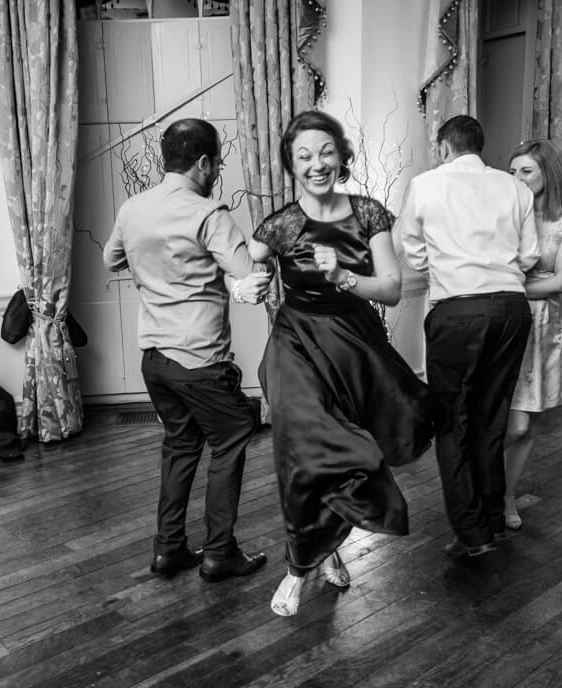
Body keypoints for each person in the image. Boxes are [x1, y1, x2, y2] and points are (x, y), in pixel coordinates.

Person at [247, 110, 436, 617]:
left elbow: (393, 290)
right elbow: (246, 259)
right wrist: (243, 283)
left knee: (345, 449)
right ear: (291, 164)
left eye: (326, 152)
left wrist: (343, 278)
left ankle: (328, 545)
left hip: (353, 345)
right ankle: (296, 568)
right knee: (303, 448)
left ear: (343, 156)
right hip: (295, 343)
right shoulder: (281, 223)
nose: (317, 164)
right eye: (304, 155)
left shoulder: (369, 213)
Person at [103, 118, 272, 583]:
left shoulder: (132, 209)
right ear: (202, 162)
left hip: (155, 358)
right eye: (216, 162)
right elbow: (245, 275)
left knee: (180, 445)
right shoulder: (209, 213)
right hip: (199, 359)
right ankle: (219, 553)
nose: (217, 171)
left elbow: (111, 259)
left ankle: (169, 549)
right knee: (234, 433)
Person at [399, 114, 539, 558]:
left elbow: (412, 250)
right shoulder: (514, 186)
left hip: (458, 310)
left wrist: (445, 264)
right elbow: (530, 254)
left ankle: (472, 533)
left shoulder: (425, 184)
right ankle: (493, 520)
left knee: (452, 421)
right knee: (491, 417)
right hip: (513, 309)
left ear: (444, 147)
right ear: (481, 146)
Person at [502, 140, 562, 529]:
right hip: (501, 319)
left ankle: (505, 498)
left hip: (539, 324)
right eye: (512, 172)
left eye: (526, 171)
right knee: (499, 420)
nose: (517, 179)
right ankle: (477, 486)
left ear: (547, 175)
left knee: (524, 424)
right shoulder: (502, 211)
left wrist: (504, 285)